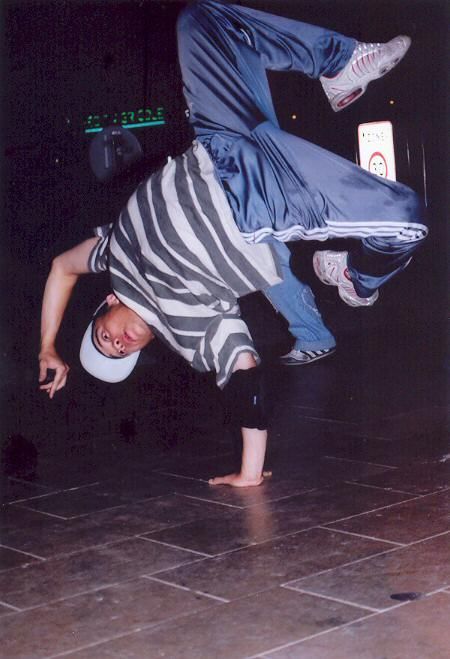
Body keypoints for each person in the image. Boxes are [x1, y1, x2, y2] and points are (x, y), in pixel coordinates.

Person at [39, 0, 427, 488]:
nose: (119, 343)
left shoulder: (112, 253)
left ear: (107, 304)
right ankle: (356, 277)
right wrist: (249, 472)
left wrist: (48, 347)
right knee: (405, 218)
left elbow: (61, 268)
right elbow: (243, 372)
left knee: (200, 19)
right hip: (267, 200)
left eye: (105, 338)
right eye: (121, 354)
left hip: (216, 139)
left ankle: (339, 64)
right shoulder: (188, 329)